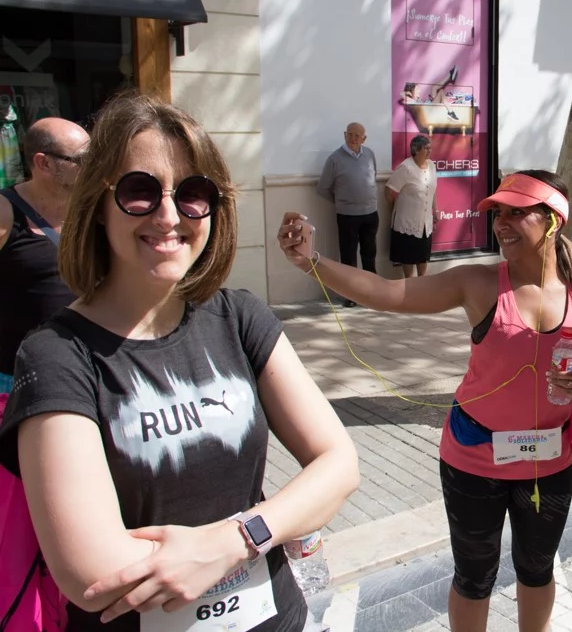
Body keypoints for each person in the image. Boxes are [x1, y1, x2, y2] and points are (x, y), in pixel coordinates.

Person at [0, 93, 360, 632]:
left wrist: (233, 540)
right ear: (98, 205)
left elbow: (339, 465)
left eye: (192, 194)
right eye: (140, 192)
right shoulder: (55, 356)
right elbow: (90, 573)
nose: (169, 215)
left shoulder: (239, 317)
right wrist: (281, 518)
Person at [278, 170, 572, 632]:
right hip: (473, 459)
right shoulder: (478, 283)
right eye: (498, 213)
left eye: (518, 212)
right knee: (474, 578)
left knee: (538, 569)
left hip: (547, 465)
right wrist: (313, 261)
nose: (503, 223)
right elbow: (389, 293)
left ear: (553, 219)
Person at [0, 117, 88, 394]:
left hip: (83, 368)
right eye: (82, 160)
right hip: (16, 378)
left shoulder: (93, 210)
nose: (94, 168)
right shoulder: (5, 211)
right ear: (44, 163)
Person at [316, 122, 378, 306]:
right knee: (348, 257)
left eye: (357, 135)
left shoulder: (370, 155)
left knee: (369, 254)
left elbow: (373, 179)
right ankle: (351, 296)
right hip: (347, 215)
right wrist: (342, 202)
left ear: (364, 138)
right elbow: (322, 188)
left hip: (370, 213)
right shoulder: (335, 159)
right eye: (349, 134)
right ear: (344, 135)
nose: (352, 138)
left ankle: (373, 293)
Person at [386, 134, 438, 278]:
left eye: (430, 148)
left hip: (424, 222)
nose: (429, 151)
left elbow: (432, 190)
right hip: (406, 222)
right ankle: (409, 285)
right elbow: (389, 191)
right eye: (426, 148)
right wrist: (395, 210)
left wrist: (436, 209)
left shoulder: (432, 166)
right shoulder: (406, 167)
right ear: (416, 150)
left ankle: (422, 284)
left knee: (423, 256)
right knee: (408, 256)